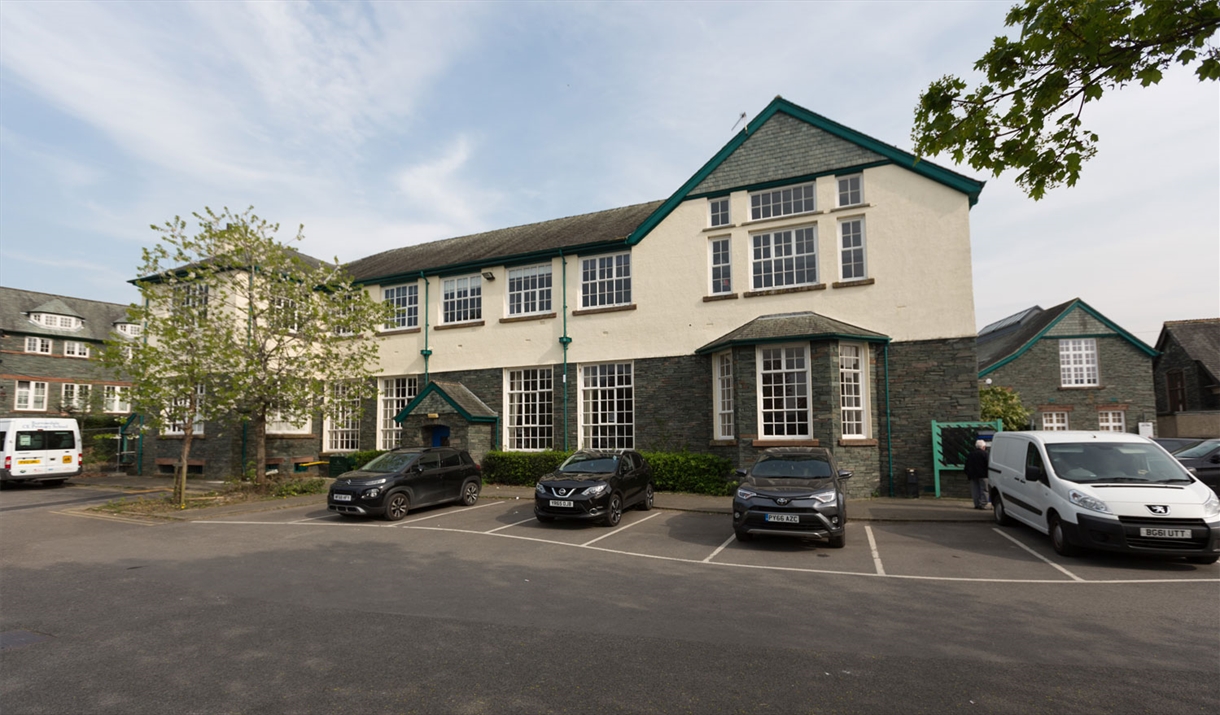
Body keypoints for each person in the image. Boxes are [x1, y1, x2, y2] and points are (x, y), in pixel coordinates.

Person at [965, 439, 990, 509]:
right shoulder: (985, 454)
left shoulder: (971, 454)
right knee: (984, 490)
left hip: (973, 475)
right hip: (983, 475)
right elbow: (988, 464)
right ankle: (983, 504)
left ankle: (976, 504)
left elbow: (967, 465)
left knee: (975, 490)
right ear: (983, 447)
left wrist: (968, 473)